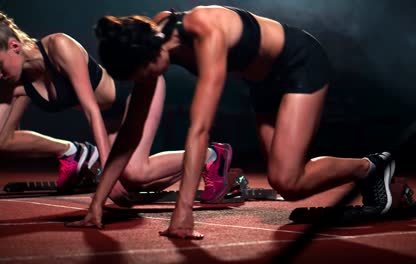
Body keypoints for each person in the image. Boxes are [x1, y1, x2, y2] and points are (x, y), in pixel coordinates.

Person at [67, 5, 395, 239]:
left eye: (148, 74)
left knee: (289, 180)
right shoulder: (150, 40)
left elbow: (199, 128)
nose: (150, 80)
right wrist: (96, 204)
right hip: (262, 83)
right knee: (286, 182)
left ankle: (371, 167)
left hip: (300, 65)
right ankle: (372, 167)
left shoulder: (206, 29)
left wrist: (184, 211)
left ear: (153, 57)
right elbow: (130, 132)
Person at [0, 11, 232, 197]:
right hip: (111, 120)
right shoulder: (13, 81)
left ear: (14, 46)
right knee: (127, 187)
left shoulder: (59, 46)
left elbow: (92, 112)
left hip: (136, 88)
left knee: (134, 174)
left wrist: (104, 173)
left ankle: (212, 155)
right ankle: (75, 153)